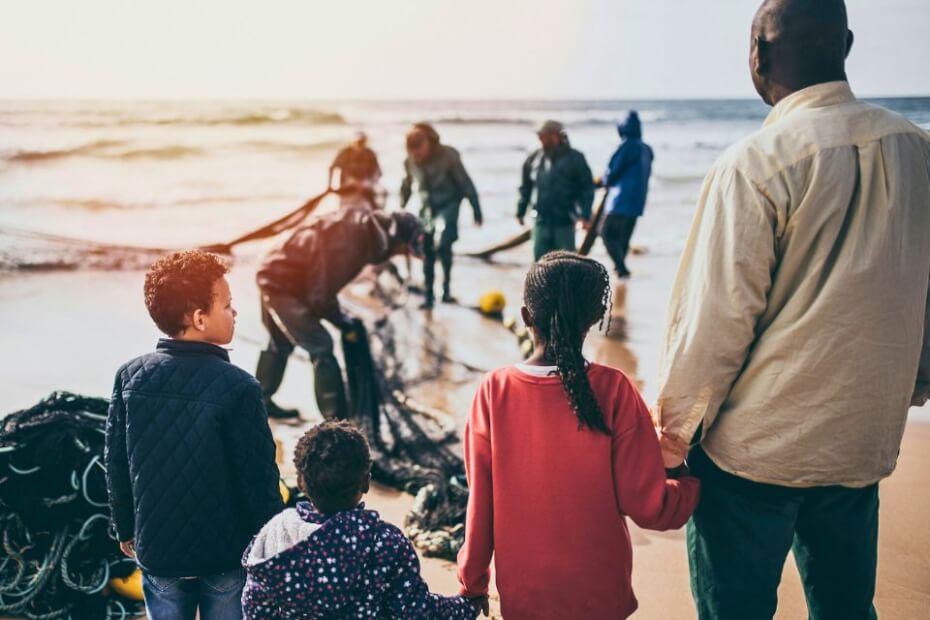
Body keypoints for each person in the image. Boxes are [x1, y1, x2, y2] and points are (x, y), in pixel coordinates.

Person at [655, 1, 930, 618]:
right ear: (847, 44)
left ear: (756, 54)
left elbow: (715, 325)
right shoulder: (918, 151)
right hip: (860, 443)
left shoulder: (754, 166)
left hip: (755, 456)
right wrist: (908, 389)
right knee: (845, 608)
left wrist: (671, 442)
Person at [457, 251, 700, 619]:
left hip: (525, 597)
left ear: (525, 316)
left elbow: (481, 505)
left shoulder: (493, 391)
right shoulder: (615, 389)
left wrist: (472, 583)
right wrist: (686, 479)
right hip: (601, 595)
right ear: (593, 320)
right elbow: (648, 506)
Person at [105, 250, 284, 620]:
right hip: (223, 556)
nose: (234, 313)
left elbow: (117, 462)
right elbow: (258, 479)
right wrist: (270, 547)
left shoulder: (129, 377)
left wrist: (125, 526)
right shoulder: (240, 388)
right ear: (200, 318)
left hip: (158, 551)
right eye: (228, 305)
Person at [242, 420, 486, 619]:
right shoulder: (384, 543)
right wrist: (464, 608)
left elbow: (255, 609)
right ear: (367, 482)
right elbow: (415, 610)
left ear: (302, 483)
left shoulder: (274, 536)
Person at [255, 207, 423, 420]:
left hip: (275, 268)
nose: (401, 254)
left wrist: (340, 317)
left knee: (279, 343)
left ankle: (259, 403)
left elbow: (320, 284)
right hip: (280, 281)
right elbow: (320, 297)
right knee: (321, 345)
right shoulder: (353, 243)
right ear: (394, 238)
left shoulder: (364, 227)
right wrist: (342, 322)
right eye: (403, 250)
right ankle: (335, 422)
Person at [400, 122, 482, 308]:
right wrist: (401, 208)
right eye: (412, 153)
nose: (416, 156)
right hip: (426, 208)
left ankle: (446, 290)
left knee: (444, 244)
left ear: (428, 143)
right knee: (426, 249)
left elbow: (466, 183)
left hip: (448, 205)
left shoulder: (448, 155)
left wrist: (476, 209)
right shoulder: (409, 160)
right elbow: (406, 184)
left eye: (419, 151)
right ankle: (429, 296)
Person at [516, 121, 595, 261]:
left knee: (567, 264)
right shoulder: (534, 158)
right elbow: (525, 187)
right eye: (539, 136)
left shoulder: (575, 158)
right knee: (539, 265)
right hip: (540, 220)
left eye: (543, 136)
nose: (540, 139)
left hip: (565, 221)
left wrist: (585, 215)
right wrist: (520, 211)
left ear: (556, 136)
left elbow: (587, 188)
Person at [600, 111, 654, 278]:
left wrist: (604, 180)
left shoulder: (626, 146)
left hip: (620, 200)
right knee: (623, 237)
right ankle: (620, 269)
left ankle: (621, 268)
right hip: (638, 200)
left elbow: (613, 172)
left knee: (607, 233)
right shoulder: (646, 149)